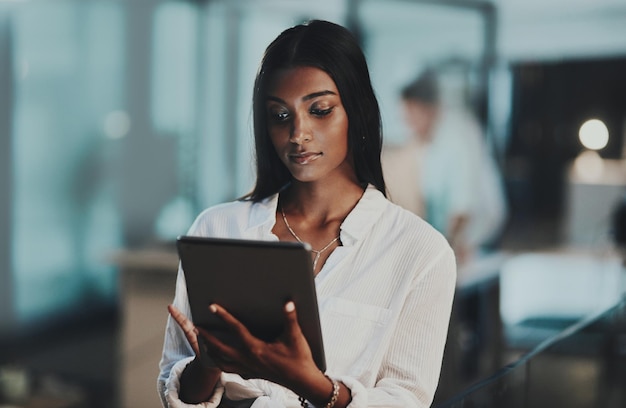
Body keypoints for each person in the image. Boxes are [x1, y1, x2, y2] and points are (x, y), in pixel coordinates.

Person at [158, 20, 456, 408]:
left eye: (320, 110)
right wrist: (209, 365)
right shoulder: (218, 228)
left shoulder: (420, 252)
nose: (298, 134)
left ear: (358, 112)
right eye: (280, 116)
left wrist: (312, 384)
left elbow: (407, 400)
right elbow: (175, 391)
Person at [387, 69, 507, 265]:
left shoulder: (457, 136)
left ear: (428, 110)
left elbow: (462, 209)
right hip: (448, 236)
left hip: (477, 233)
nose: (407, 124)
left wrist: (447, 248)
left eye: (411, 116)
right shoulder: (424, 140)